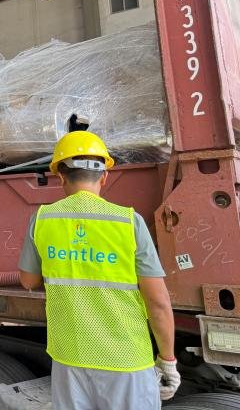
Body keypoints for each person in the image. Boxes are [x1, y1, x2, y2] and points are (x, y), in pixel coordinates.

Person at [18, 131, 179, 409]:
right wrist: (168, 360)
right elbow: (158, 303)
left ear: (61, 176)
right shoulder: (129, 223)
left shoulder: (42, 219)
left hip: (69, 359)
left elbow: (28, 281)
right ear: (104, 176)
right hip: (126, 361)